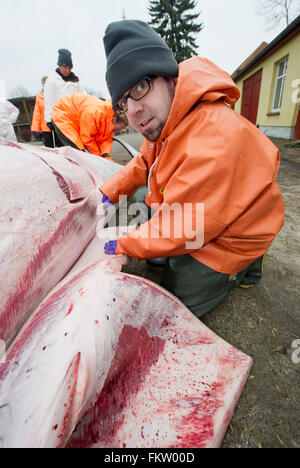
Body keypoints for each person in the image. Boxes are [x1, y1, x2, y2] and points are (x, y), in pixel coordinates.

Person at [100, 19, 285, 318]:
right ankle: (174, 254)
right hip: (201, 212)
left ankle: (246, 265)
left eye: (140, 87)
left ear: (171, 79)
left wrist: (122, 244)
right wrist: (108, 192)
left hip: (234, 229)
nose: (133, 109)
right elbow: (143, 162)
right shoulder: (165, 120)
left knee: (176, 301)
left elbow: (185, 227)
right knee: (141, 198)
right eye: (123, 102)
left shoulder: (212, 138)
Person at [51, 93, 127, 158]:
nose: (118, 131)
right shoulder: (94, 113)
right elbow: (87, 138)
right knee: (79, 151)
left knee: (87, 153)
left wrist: (105, 156)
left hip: (78, 118)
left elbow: (105, 140)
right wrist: (98, 158)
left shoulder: (110, 122)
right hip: (63, 113)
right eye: (119, 129)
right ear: (114, 119)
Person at [44, 48, 85, 146]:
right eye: (65, 67)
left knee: (78, 144)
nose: (67, 70)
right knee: (65, 146)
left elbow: (84, 97)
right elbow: (49, 101)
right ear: (60, 65)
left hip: (75, 118)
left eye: (70, 68)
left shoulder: (75, 80)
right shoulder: (52, 81)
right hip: (60, 119)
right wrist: (49, 119)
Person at [31, 76, 53, 147]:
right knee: (50, 148)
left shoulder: (56, 94)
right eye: (44, 83)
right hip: (45, 127)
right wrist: (36, 129)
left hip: (58, 126)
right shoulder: (39, 97)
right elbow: (37, 113)